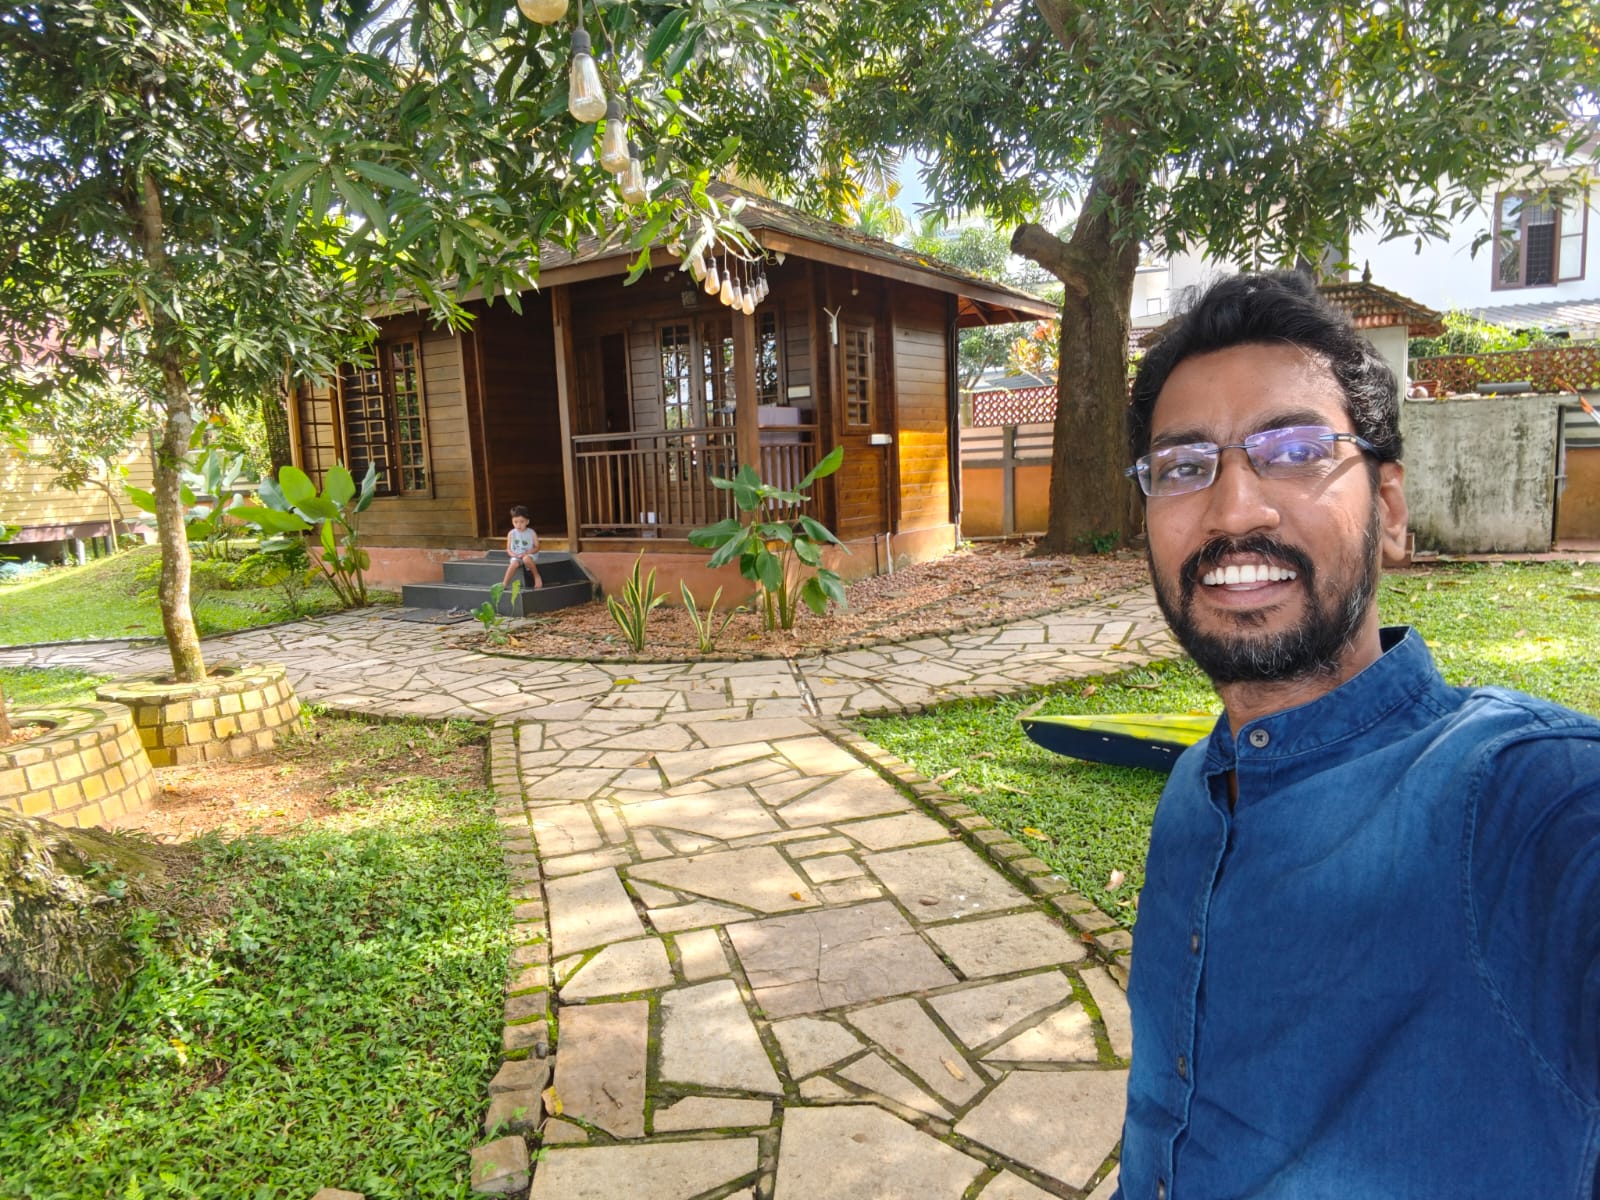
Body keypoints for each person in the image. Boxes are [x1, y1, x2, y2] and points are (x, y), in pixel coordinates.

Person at [1114, 270, 1600, 1199]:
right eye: (1183, 467)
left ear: (1390, 510)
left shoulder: (1521, 797)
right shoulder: (1192, 792)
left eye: (1296, 450)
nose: (1233, 509)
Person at [502, 505, 542, 589]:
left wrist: (527, 553)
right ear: (512, 521)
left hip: (529, 554)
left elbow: (537, 547)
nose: (518, 525)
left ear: (527, 521)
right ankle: (504, 583)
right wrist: (514, 555)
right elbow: (508, 549)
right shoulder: (511, 533)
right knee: (514, 564)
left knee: (526, 559)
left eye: (521, 522)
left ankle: (536, 576)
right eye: (515, 522)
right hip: (516, 555)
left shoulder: (531, 533)